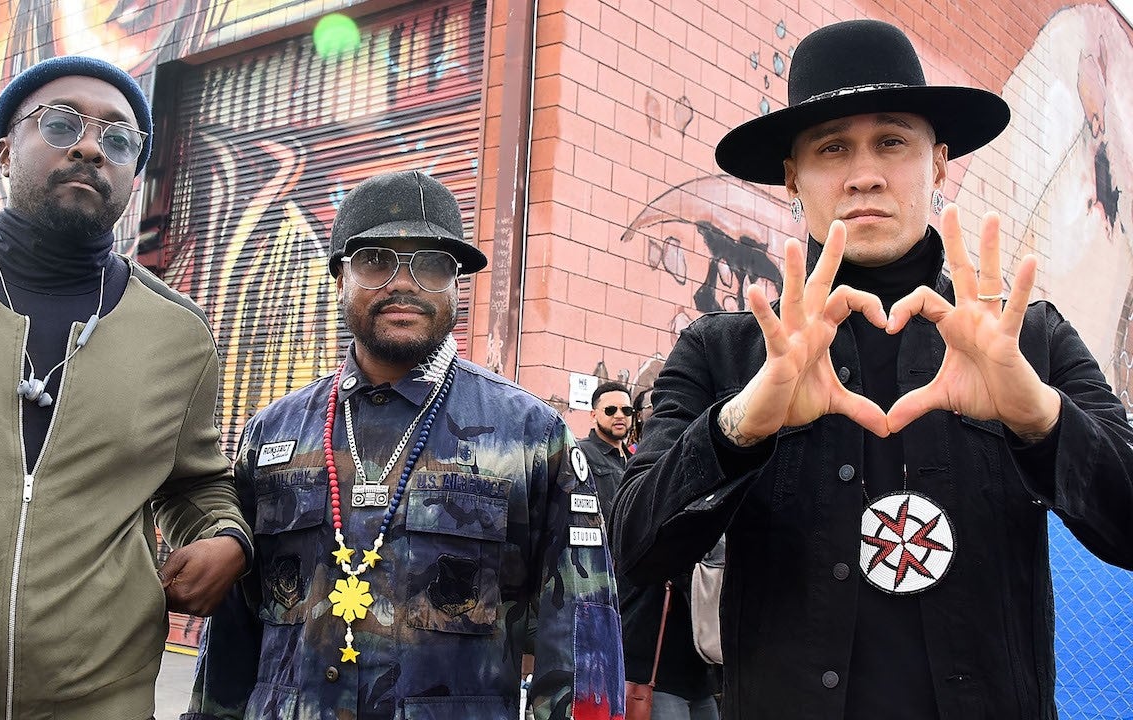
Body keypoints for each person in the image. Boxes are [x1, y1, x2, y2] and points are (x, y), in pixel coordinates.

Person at [612, 18, 1133, 720]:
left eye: (892, 141)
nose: (864, 175)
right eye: (833, 148)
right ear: (792, 176)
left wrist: (1040, 418)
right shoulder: (723, 352)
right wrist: (738, 430)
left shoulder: (1027, 339)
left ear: (938, 163)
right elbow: (635, 550)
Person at [0, 56, 252, 718]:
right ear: (5, 151)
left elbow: (194, 481)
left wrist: (224, 536)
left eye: (118, 139)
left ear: (134, 174)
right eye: (62, 124)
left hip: (100, 699)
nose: (92, 147)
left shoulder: (177, 335)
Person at [183, 169, 624, 720]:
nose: (404, 283)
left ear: (456, 282)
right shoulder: (272, 433)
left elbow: (581, 636)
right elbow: (229, 638)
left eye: (431, 264)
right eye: (376, 260)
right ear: (340, 276)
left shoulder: (531, 437)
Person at [577, 380, 632, 515]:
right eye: (610, 410)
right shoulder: (580, 453)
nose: (619, 415)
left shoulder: (635, 459)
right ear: (593, 415)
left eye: (626, 410)